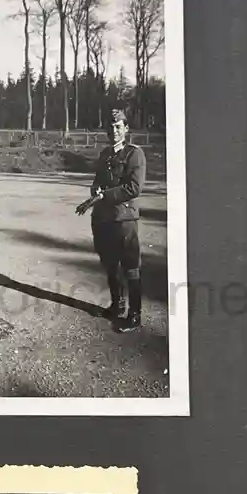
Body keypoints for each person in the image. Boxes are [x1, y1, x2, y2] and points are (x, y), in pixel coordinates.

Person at [75, 108, 146, 333]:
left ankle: (134, 315)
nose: (113, 131)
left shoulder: (134, 154)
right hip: (104, 219)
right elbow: (98, 180)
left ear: (126, 129)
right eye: (110, 127)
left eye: (118, 127)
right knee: (110, 265)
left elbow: (134, 187)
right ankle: (117, 306)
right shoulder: (105, 154)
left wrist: (106, 194)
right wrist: (95, 189)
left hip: (123, 218)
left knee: (130, 268)